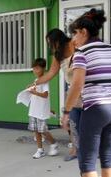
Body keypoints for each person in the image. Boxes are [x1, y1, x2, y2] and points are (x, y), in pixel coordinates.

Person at [61, 9, 111, 177]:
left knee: (87, 162)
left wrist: (66, 112)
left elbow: (77, 85)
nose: (74, 39)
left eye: (75, 34)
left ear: (84, 32)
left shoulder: (82, 53)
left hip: (96, 108)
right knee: (107, 158)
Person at [31, 29, 81, 161]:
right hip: (73, 91)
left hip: (87, 89)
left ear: (57, 41)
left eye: (50, 43)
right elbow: (50, 74)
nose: (50, 47)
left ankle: (94, 148)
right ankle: (75, 150)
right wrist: (35, 83)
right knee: (73, 122)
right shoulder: (58, 55)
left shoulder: (75, 45)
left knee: (89, 122)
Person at [28, 58, 59, 159]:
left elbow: (45, 95)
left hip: (41, 111)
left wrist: (34, 92)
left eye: (37, 68)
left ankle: (54, 144)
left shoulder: (44, 81)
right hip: (34, 110)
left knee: (43, 131)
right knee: (36, 130)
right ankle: (40, 150)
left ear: (43, 69)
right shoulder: (36, 81)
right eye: (34, 68)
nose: (35, 70)